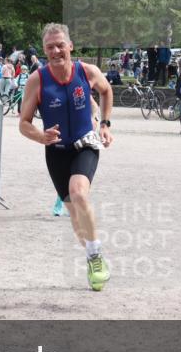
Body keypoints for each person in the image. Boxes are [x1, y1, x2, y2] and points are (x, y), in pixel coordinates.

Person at [19, 23, 114, 292]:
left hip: (85, 143)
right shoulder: (38, 80)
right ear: (45, 50)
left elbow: (106, 91)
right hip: (57, 151)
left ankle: (95, 257)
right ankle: (92, 254)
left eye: (61, 44)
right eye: (50, 47)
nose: (56, 50)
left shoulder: (87, 72)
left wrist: (105, 124)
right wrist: (41, 136)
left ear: (70, 45)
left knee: (79, 192)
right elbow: (24, 123)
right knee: (75, 218)